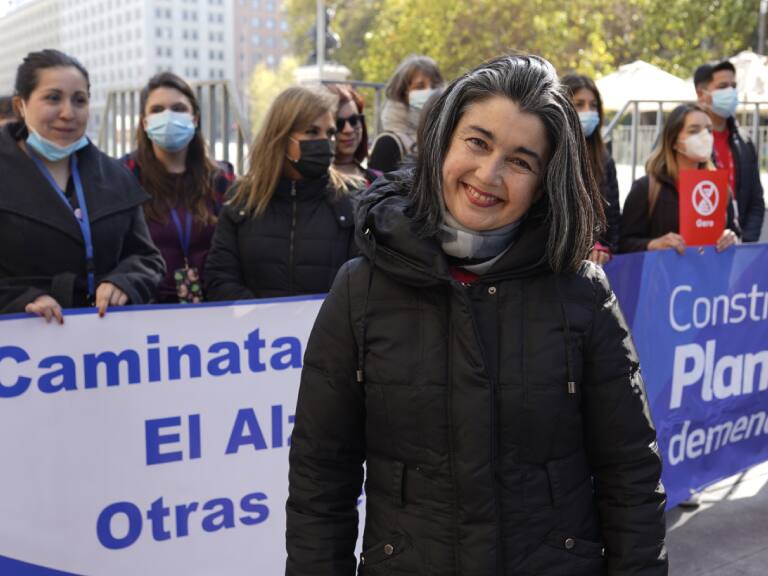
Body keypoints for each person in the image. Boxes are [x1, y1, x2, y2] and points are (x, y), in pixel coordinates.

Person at [286, 54, 668, 575]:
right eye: (478, 142)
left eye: (520, 160)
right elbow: (319, 484)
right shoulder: (361, 290)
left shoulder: (582, 294)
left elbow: (632, 477)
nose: (489, 174)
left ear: (544, 180)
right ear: (444, 141)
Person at [0, 49, 164, 322]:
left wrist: (125, 281)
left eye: (79, 100)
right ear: (21, 105)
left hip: (105, 345)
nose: (68, 113)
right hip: (21, 351)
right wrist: (23, 298)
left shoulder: (116, 176)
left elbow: (147, 258)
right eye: (53, 98)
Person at [204, 85, 359, 300]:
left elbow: (363, 285)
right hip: (257, 332)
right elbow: (219, 278)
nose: (326, 142)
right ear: (282, 136)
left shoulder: (351, 200)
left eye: (330, 133)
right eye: (312, 132)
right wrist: (268, 318)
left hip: (330, 332)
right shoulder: (242, 200)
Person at [123, 72, 235, 303]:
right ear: (144, 122)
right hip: (146, 310)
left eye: (178, 108)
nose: (168, 117)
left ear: (194, 119)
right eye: (157, 110)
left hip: (214, 309)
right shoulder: (123, 177)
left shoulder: (221, 178)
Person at [620, 103, 740, 254]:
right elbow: (623, 244)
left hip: (708, 275)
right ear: (674, 141)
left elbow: (735, 233)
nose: (705, 137)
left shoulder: (720, 188)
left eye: (709, 130)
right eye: (694, 131)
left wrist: (731, 238)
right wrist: (653, 244)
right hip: (662, 276)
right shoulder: (646, 188)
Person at [694, 59, 764, 242]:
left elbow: (756, 201)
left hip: (740, 248)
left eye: (733, 86)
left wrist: (745, 241)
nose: (731, 92)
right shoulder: (685, 140)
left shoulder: (744, 141)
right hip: (699, 245)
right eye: (723, 86)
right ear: (702, 94)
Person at [562, 73, 621, 263]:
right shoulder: (545, 153)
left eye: (593, 105)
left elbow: (613, 221)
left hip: (594, 270)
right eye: (579, 104)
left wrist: (604, 248)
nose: (588, 111)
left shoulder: (604, 161)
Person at [368, 55, 443, 173]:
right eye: (420, 86)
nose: (429, 91)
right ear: (403, 93)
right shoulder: (387, 144)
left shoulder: (443, 133)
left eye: (434, 86)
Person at [325, 83, 377, 184]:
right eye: (338, 123)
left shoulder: (377, 179)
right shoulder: (312, 186)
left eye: (354, 120)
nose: (348, 130)